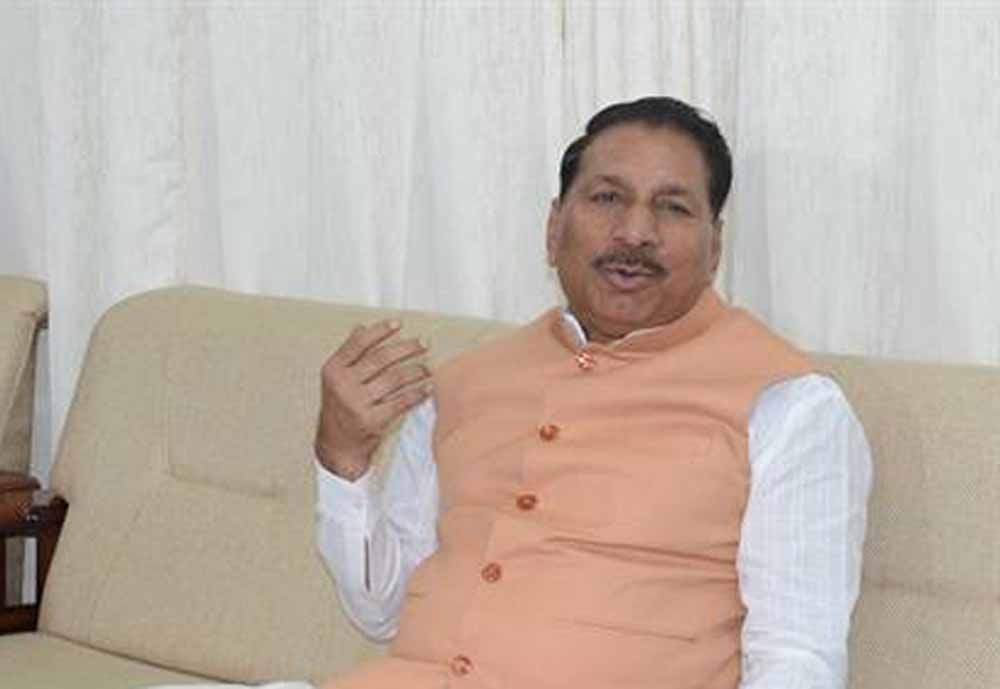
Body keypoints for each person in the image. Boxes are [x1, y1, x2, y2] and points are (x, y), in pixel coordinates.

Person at [312, 96, 872, 689]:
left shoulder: (789, 406)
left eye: (673, 207)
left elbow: (797, 659)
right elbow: (381, 611)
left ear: (714, 248)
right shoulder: (459, 385)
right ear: (554, 229)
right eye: (607, 198)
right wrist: (342, 456)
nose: (635, 232)